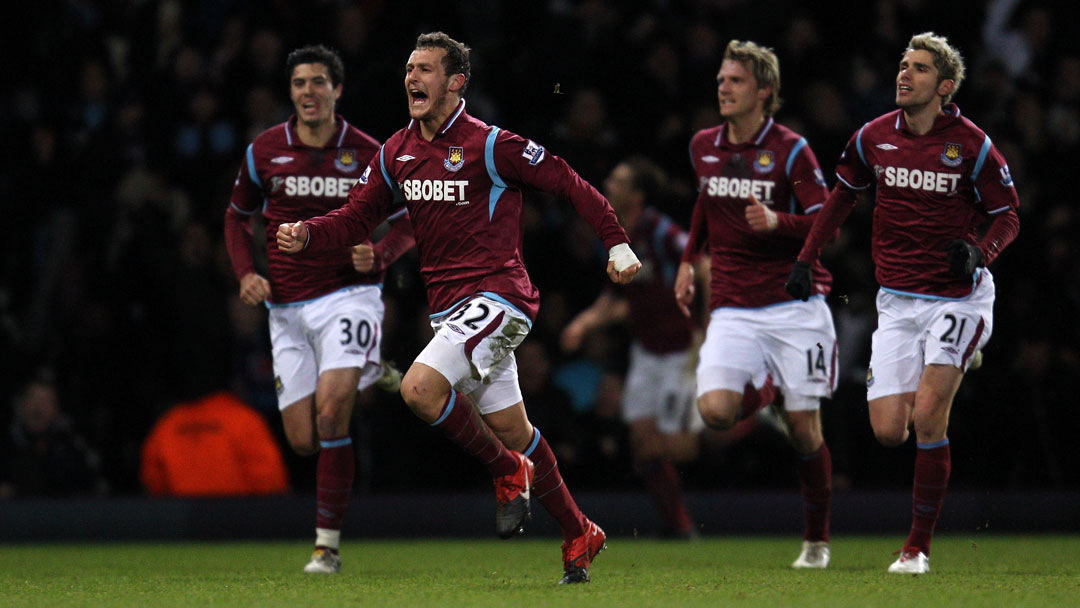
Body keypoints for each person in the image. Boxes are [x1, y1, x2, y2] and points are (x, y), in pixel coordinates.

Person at [276, 32, 641, 584]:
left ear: (456, 82)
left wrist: (615, 240)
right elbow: (356, 216)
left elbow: (564, 178)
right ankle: (579, 532)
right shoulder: (397, 150)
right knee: (518, 432)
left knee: (419, 389)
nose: (412, 78)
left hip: (501, 297)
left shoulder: (489, 144)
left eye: (425, 69)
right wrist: (309, 233)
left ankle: (505, 472)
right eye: (408, 68)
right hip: (453, 313)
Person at [786, 32, 1020, 574]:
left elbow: (1008, 214)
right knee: (890, 431)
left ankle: (916, 549)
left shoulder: (973, 144)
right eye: (902, 64)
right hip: (896, 301)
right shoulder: (872, 137)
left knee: (930, 414)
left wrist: (980, 253)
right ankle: (965, 354)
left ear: (945, 86)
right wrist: (806, 258)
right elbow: (841, 196)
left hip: (956, 298)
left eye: (917, 68)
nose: (904, 74)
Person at [223, 44, 415, 574]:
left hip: (347, 295)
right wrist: (245, 275)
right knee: (304, 439)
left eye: (318, 82)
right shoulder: (265, 151)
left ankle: (325, 547)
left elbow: (410, 219)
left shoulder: (368, 151)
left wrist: (378, 254)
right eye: (299, 83)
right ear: (291, 92)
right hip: (286, 308)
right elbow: (236, 219)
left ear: (337, 90)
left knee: (333, 413)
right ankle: (370, 367)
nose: (309, 92)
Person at [673, 39, 836, 568]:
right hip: (733, 303)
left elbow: (827, 219)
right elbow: (705, 200)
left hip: (793, 303)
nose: (723, 87)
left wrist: (779, 223)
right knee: (714, 413)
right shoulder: (702, 144)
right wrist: (687, 259)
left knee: (806, 431)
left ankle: (816, 542)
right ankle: (767, 390)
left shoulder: (791, 149)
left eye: (735, 80)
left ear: (764, 92)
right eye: (721, 79)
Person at [561, 157, 702, 539]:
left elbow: (701, 263)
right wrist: (583, 323)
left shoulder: (659, 231)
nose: (609, 183)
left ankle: (747, 422)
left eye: (619, 180)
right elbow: (616, 299)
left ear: (637, 195)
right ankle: (680, 527)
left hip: (680, 352)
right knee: (642, 445)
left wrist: (709, 326)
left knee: (680, 447)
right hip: (645, 351)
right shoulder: (615, 237)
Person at [140, 390, 289, 496]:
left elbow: (153, 486)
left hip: (182, 530)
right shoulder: (245, 420)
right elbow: (272, 486)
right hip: (242, 528)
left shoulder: (167, 424)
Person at [0, 369, 108, 498]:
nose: (38, 408)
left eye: (46, 401)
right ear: (19, 405)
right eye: (32, 399)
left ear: (56, 409)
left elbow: (95, 487)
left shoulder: (72, 445)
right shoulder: (5, 445)